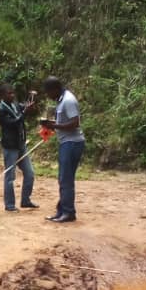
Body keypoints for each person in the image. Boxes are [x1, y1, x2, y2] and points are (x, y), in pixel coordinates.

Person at [41, 76, 84, 223]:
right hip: (66, 142)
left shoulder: (68, 100)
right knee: (63, 178)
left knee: (65, 179)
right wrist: (51, 124)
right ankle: (62, 211)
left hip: (72, 143)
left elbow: (75, 123)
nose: (48, 96)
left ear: (55, 89)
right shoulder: (61, 100)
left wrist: (54, 126)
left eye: (48, 92)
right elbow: (64, 121)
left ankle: (68, 212)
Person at [0, 83, 39, 212]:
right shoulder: (1, 110)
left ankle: (25, 200)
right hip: (10, 147)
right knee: (10, 176)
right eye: (9, 93)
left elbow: (24, 108)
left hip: (20, 144)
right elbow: (13, 123)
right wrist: (25, 112)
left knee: (30, 173)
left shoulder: (14, 105)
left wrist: (30, 104)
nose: (12, 95)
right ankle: (9, 205)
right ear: (3, 95)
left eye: (12, 93)